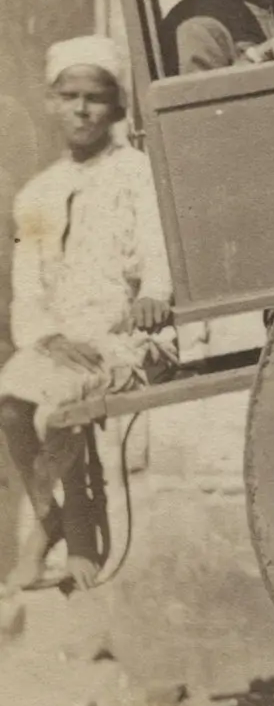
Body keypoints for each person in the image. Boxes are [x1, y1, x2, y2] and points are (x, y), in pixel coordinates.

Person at [0, 38, 173, 593]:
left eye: (95, 98)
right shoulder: (39, 192)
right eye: (69, 96)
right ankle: (50, 515)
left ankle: (78, 530)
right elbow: (25, 289)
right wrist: (44, 335)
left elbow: (159, 245)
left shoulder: (137, 174)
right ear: (51, 103)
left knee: (58, 401)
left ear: (117, 108)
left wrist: (154, 293)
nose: (81, 109)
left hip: (125, 334)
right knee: (10, 404)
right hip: (63, 341)